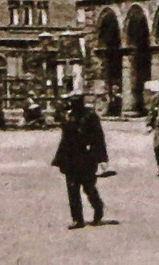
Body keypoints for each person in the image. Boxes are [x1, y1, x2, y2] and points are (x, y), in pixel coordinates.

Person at [50, 91, 108, 230]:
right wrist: (60, 159)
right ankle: (77, 219)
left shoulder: (90, 117)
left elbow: (98, 138)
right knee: (72, 189)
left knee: (88, 187)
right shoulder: (69, 117)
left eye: (76, 101)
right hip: (70, 158)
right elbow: (64, 140)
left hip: (86, 157)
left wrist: (101, 158)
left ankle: (98, 207)